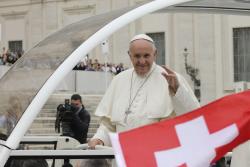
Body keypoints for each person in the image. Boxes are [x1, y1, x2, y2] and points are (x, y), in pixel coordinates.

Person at [88, 34, 200, 149]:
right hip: (125, 158)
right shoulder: (119, 80)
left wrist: (177, 91)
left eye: (147, 56)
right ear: (130, 55)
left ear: (155, 54)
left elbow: (193, 116)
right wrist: (99, 138)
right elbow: (109, 125)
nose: (142, 61)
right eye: (137, 56)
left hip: (157, 157)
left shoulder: (172, 79)